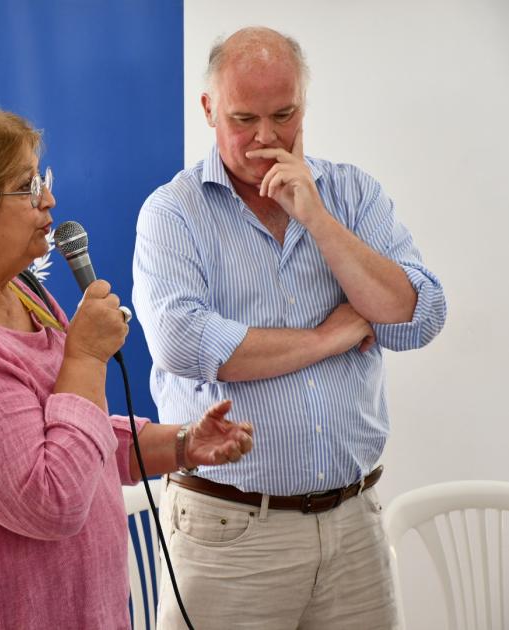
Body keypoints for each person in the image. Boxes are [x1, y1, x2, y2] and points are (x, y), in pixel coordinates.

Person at [0, 104, 254, 629]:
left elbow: (70, 434)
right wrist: (87, 355)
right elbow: (52, 498)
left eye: (40, 179)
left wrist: (181, 444)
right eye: (25, 187)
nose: (48, 199)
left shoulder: (21, 290)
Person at [132, 27, 447, 630]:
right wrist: (332, 335)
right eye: (243, 118)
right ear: (207, 109)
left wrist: (318, 219)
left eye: (284, 114)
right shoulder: (173, 212)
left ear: (305, 101)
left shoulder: (352, 193)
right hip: (229, 532)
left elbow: (417, 317)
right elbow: (184, 342)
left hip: (354, 523)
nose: (266, 137)